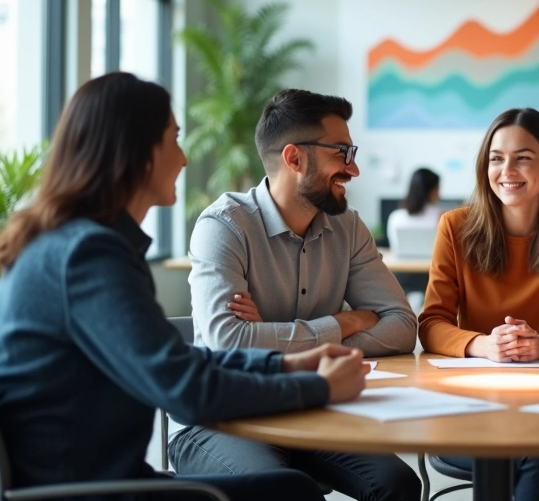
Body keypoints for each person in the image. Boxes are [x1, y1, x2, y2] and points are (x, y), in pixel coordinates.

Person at [0, 72, 369, 500]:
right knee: (290, 493)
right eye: (174, 139)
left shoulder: (74, 244)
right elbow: (187, 390)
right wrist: (320, 387)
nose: (183, 159)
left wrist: (284, 366)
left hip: (92, 478)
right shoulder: (89, 256)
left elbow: (175, 360)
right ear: (136, 152)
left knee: (290, 487)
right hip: (79, 491)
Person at [169, 90, 420, 501]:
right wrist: (342, 323)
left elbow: (402, 326)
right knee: (286, 493)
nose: (353, 168)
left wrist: (266, 336)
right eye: (342, 152)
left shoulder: (348, 228)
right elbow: (227, 342)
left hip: (310, 407)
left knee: (398, 484)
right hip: (220, 419)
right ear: (294, 158)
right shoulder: (223, 226)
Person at [418, 107, 539, 501]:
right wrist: (485, 345)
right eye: (496, 158)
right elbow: (431, 323)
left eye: (522, 158)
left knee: (535, 441)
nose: (507, 171)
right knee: (535, 448)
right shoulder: (455, 226)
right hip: (468, 403)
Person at [386, 167, 446, 256]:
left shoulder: (396, 217)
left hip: (402, 264)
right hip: (431, 263)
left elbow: (394, 247)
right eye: (438, 188)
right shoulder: (442, 216)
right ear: (432, 190)